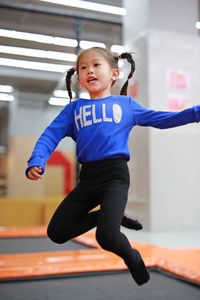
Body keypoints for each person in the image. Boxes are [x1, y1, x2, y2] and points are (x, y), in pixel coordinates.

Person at [26, 47, 200, 286]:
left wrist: (196, 113)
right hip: (87, 180)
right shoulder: (73, 110)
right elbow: (49, 136)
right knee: (56, 232)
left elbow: (162, 119)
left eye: (96, 65)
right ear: (79, 80)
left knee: (107, 236)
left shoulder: (125, 104)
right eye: (84, 68)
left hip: (114, 177)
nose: (90, 71)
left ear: (114, 74)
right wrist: (37, 160)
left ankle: (134, 259)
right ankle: (104, 216)